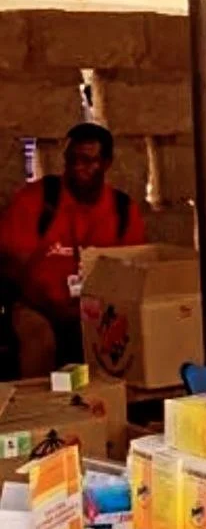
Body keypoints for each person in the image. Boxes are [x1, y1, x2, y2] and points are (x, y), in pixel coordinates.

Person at [0, 123, 145, 377]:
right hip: (38, 306)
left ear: (106, 163)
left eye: (88, 161)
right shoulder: (37, 200)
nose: (78, 167)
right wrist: (50, 304)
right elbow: (13, 266)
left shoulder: (123, 210)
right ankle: (40, 411)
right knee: (40, 342)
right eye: (72, 159)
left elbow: (133, 271)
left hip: (98, 309)